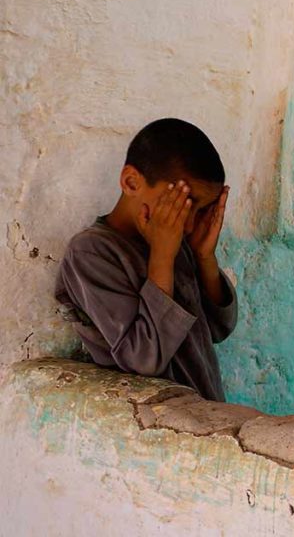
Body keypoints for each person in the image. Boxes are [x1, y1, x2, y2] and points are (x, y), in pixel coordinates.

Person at [55, 118, 237, 401]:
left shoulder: (179, 244)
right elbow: (143, 359)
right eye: (183, 204)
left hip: (203, 417)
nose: (188, 225)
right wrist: (162, 256)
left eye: (201, 211)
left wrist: (204, 257)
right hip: (153, 430)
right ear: (131, 182)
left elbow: (219, 328)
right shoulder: (92, 252)